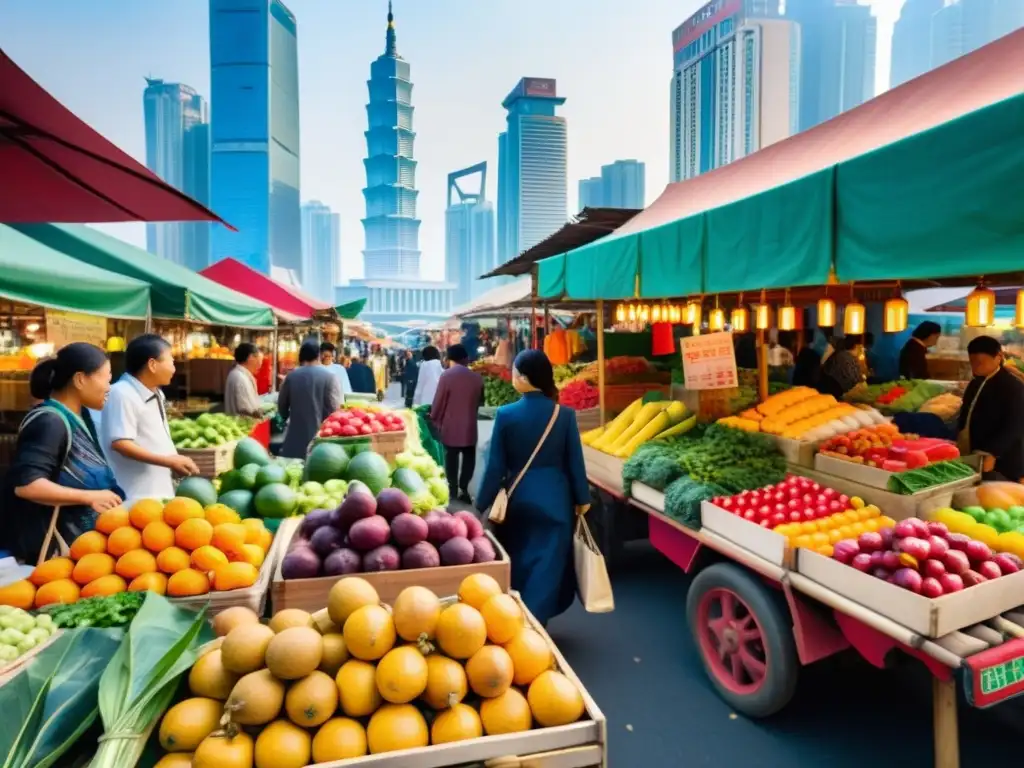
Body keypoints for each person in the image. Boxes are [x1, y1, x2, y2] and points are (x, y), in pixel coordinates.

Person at [477, 349, 590, 625]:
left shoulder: (505, 414)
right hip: (557, 499)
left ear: (524, 379)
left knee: (520, 558)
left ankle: (518, 615)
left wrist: (481, 502)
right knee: (548, 564)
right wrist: (582, 498)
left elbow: (495, 467)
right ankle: (538, 621)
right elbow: (575, 461)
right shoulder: (564, 416)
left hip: (519, 498)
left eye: (515, 372)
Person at [2, 344, 123, 562]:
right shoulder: (50, 421)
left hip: (83, 552)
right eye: (106, 378)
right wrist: (88, 497)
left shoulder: (78, 417)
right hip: (55, 556)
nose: (109, 387)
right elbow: (27, 485)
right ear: (80, 379)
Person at [101, 334, 198, 500]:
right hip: (134, 496)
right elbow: (121, 443)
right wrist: (168, 461)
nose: (174, 368)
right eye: (171, 361)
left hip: (158, 491)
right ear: (152, 365)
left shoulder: (156, 392)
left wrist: (172, 461)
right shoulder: (122, 393)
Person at [957, 335, 1024, 481]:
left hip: (1002, 459)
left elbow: (1015, 425)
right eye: (972, 363)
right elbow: (966, 413)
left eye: (980, 363)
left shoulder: (1013, 386)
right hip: (976, 454)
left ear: (998, 357)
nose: (975, 367)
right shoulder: (975, 383)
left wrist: (993, 453)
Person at [431, 344, 484, 504]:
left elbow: (439, 401)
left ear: (449, 359)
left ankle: (453, 490)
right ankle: (464, 488)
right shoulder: (477, 377)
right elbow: (481, 401)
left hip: (450, 426)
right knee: (469, 457)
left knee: (451, 458)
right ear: (465, 358)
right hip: (469, 427)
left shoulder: (446, 376)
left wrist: (434, 417)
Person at [278, 340, 343, 459]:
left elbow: (282, 408)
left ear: (300, 357)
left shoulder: (291, 377)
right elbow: (336, 409)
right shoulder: (330, 377)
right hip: (322, 443)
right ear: (318, 356)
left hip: (294, 442)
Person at [224, 343, 264, 418]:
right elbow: (247, 408)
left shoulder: (235, 373)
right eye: (259, 360)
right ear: (250, 357)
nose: (260, 364)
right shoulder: (241, 378)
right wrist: (260, 415)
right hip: (243, 424)